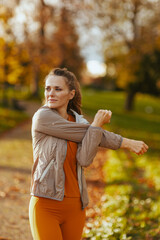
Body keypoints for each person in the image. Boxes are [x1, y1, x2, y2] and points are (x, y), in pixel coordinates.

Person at [29, 68, 148, 240]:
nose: (51, 93)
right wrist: (125, 142)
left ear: (71, 94)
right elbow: (90, 132)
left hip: (76, 206)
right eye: (48, 88)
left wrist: (95, 128)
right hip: (46, 204)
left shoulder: (80, 122)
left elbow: (84, 160)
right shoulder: (43, 117)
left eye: (57, 89)